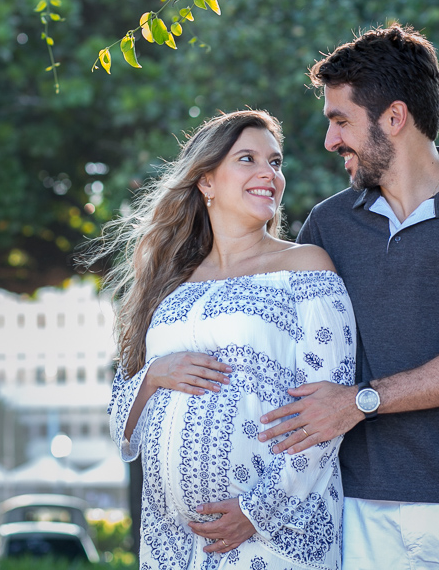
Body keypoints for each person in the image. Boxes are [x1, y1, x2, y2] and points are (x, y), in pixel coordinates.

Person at [255, 25, 439, 570]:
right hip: (361, 503)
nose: (330, 141)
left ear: (394, 117)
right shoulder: (328, 226)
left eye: (341, 121)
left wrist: (360, 401)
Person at [100, 110, 357, 570]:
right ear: (206, 182)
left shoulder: (305, 266)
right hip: (173, 542)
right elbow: (121, 420)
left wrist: (256, 512)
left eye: (275, 162)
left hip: (276, 533)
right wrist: (154, 376)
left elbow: (328, 410)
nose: (269, 174)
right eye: (248, 159)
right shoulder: (168, 283)